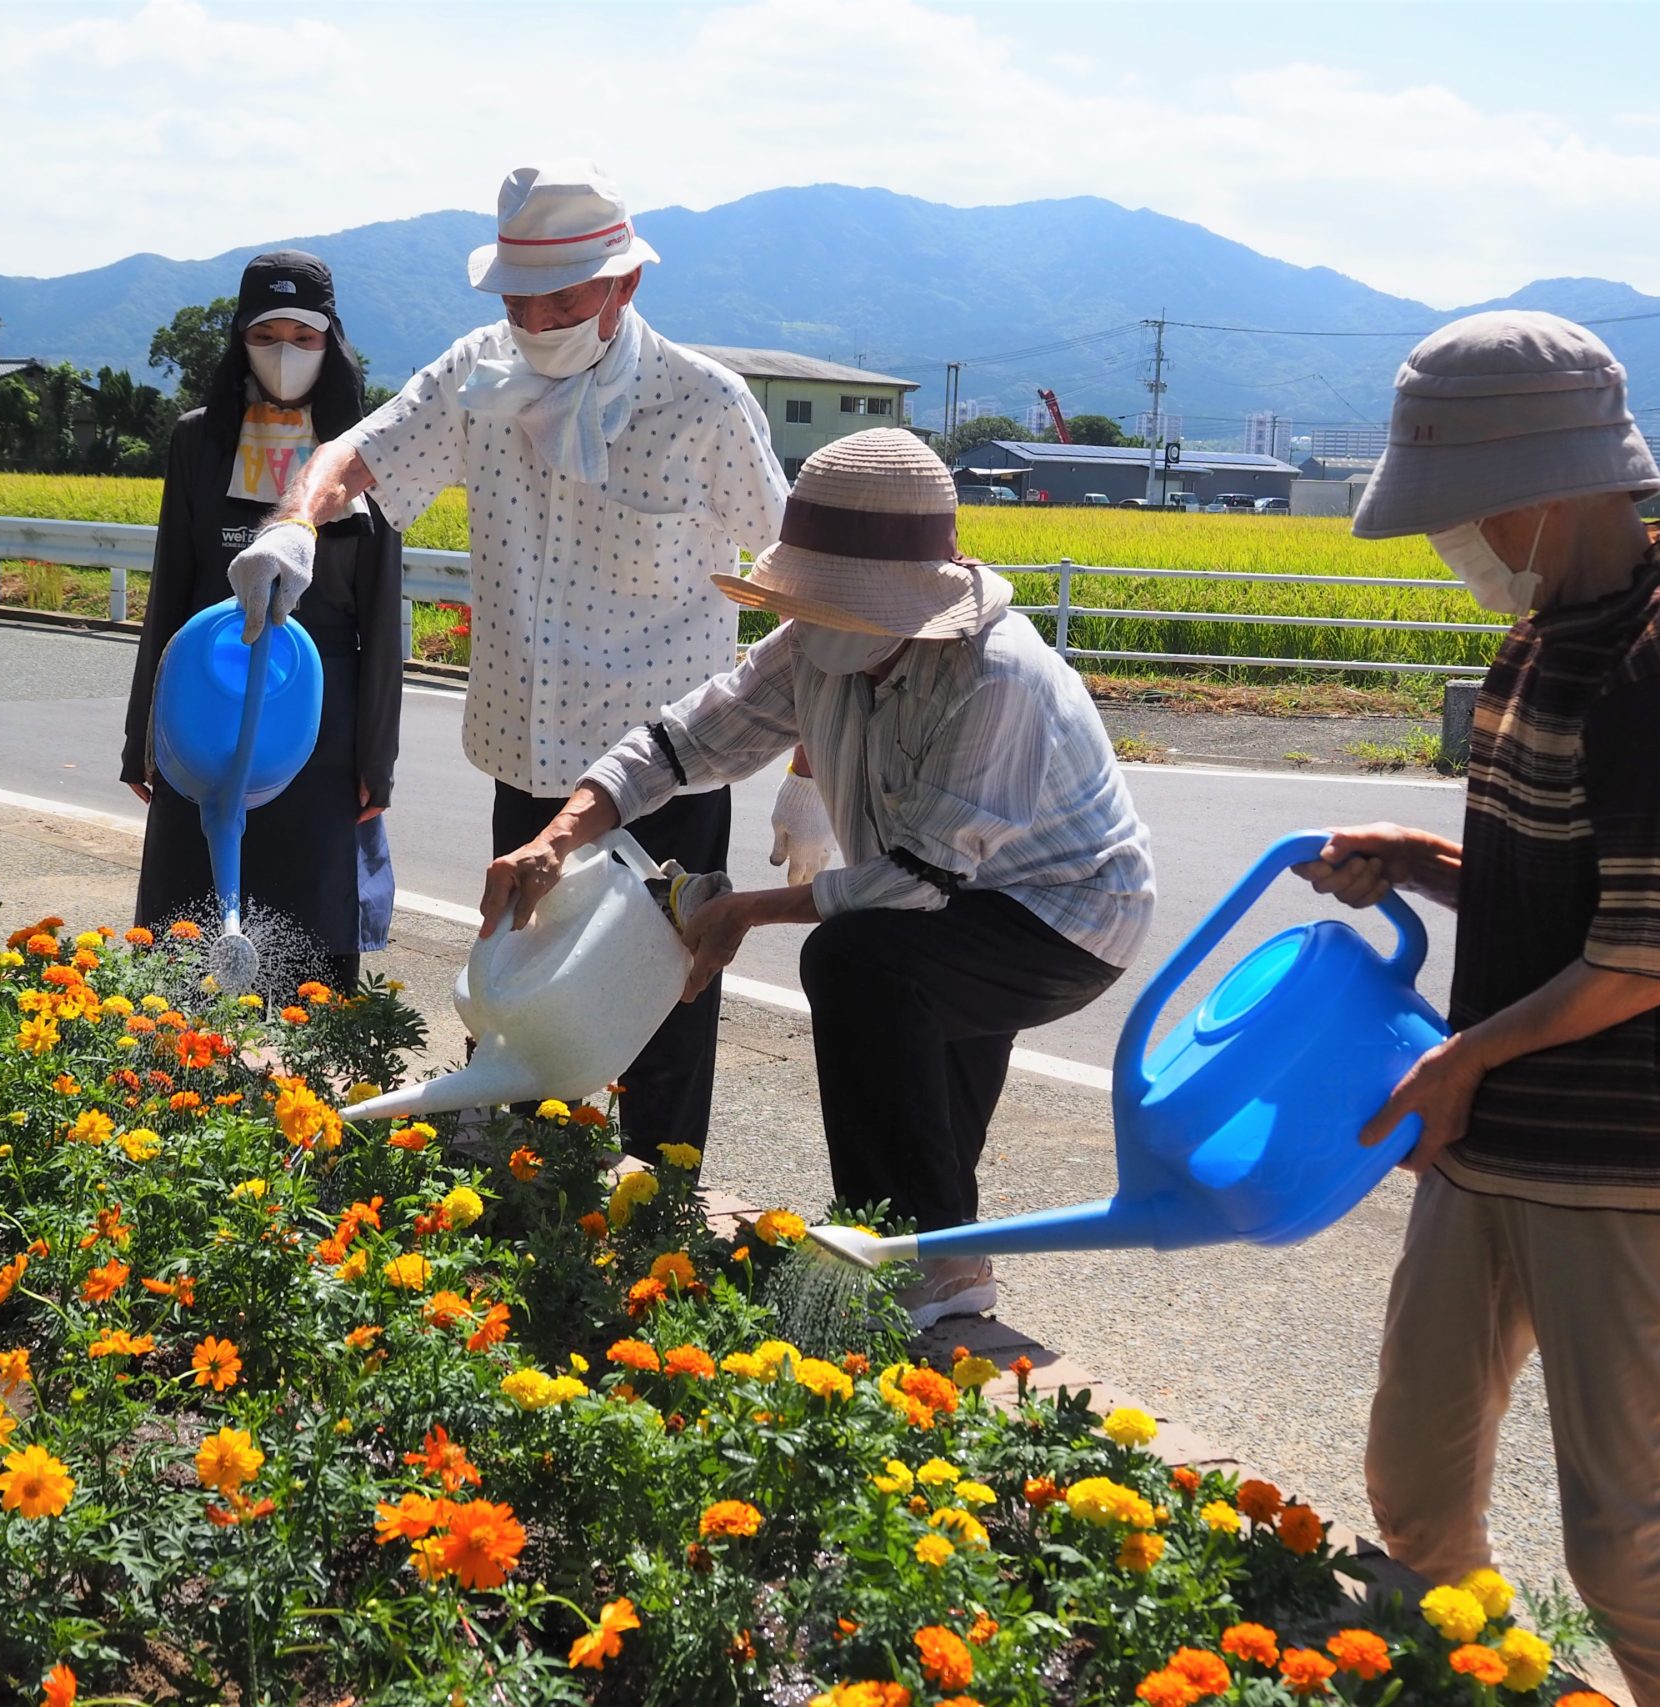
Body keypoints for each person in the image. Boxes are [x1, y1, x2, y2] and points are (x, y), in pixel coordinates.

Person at [1293, 311, 1660, 1707]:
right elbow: (1581, 901)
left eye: (1462, 511)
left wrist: (1462, 1060)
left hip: (1638, 1155)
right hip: (1502, 1127)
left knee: (1624, 1553)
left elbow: (1657, 950)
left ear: (1543, 488)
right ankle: (1460, 1682)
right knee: (1415, 1487)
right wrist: (1418, 861)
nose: (1452, 541)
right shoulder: (1545, 637)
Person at [478, 429, 1155, 1328]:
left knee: (862, 964)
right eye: (818, 602)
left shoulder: (996, 674)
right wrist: (557, 837)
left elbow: (921, 878)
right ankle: (943, 1256)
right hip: (951, 897)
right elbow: (684, 740)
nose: (824, 622)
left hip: (1065, 913)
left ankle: (900, 1253)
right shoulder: (813, 644)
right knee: (921, 1058)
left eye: (850, 605)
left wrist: (743, 912)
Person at [227, 163, 789, 1159]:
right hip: (523, 751)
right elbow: (355, 454)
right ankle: (531, 1188)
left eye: (561, 298)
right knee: (521, 993)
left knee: (664, 994)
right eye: (517, 298)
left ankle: (661, 1198)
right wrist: (293, 526)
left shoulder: (704, 405)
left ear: (626, 285)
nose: (534, 319)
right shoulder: (476, 374)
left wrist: (815, 765)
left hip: (664, 767)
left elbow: (798, 576)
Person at [122, 250, 400, 992]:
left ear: (331, 343)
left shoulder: (370, 452)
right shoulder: (197, 441)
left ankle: (305, 1090)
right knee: (193, 911)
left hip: (325, 712)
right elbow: (170, 593)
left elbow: (382, 615)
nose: (287, 353)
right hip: (200, 706)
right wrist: (140, 736)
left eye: (305, 337)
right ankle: (182, 1077)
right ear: (239, 337)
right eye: (268, 333)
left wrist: (379, 759)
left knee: (311, 917)